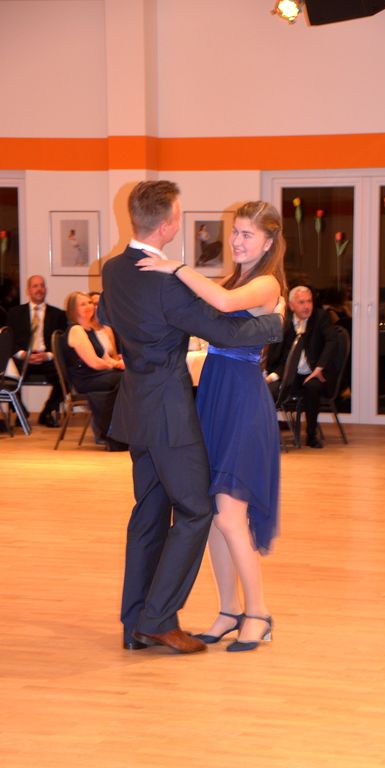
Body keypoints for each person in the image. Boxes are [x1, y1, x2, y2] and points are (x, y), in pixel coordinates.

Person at [99, 182, 283, 655]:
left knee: (150, 514)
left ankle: (136, 622)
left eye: (246, 233)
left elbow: (110, 315)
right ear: (167, 225)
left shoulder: (113, 269)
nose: (237, 239)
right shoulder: (166, 281)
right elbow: (224, 328)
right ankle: (158, 620)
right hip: (171, 413)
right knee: (198, 510)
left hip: (141, 410)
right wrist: (276, 324)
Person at [265, 285, 340, 449]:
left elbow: (332, 341)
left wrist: (319, 368)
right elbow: (279, 354)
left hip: (313, 373)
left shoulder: (320, 317)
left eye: (309, 301)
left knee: (312, 387)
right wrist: (272, 375)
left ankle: (311, 435)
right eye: (301, 302)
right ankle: (269, 436)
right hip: (289, 375)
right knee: (269, 390)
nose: (307, 306)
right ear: (291, 306)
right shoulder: (285, 322)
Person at [63, 291, 127, 451]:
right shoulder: (76, 330)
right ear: (74, 309)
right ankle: (113, 434)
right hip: (86, 379)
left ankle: (122, 432)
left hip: (98, 375)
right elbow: (94, 363)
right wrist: (116, 366)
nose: (89, 306)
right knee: (124, 379)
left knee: (129, 377)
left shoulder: (90, 329)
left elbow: (105, 357)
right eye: (82, 304)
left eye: (89, 303)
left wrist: (120, 364)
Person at [6, 274, 67, 426]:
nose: (39, 289)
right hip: (22, 358)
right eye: (35, 286)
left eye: (42, 285)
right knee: (5, 377)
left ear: (46, 289)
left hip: (47, 358)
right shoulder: (14, 313)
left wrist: (48, 355)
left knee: (68, 375)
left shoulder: (58, 314)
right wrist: (22, 354)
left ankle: (47, 412)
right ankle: (21, 412)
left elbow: (62, 341)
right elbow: (8, 339)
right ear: (28, 290)